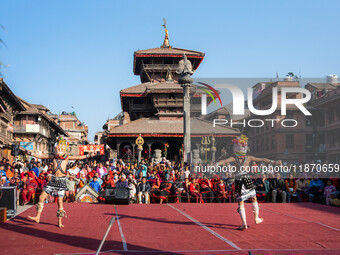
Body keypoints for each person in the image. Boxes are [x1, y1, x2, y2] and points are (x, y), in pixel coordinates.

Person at [26, 136, 95, 228]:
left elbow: (79, 157)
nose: (60, 149)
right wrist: (30, 153)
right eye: (58, 147)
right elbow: (41, 156)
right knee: (41, 197)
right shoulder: (53, 157)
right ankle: (38, 217)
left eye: (62, 148)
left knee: (60, 201)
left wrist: (89, 155)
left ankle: (59, 221)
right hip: (53, 180)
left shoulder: (67, 158)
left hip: (61, 181)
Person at [218, 135, 282, 230]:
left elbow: (223, 161)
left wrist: (216, 164)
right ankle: (256, 218)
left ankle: (244, 224)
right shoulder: (249, 158)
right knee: (254, 199)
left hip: (239, 180)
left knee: (241, 202)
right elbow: (263, 160)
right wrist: (274, 162)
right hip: (247, 179)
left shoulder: (233, 158)